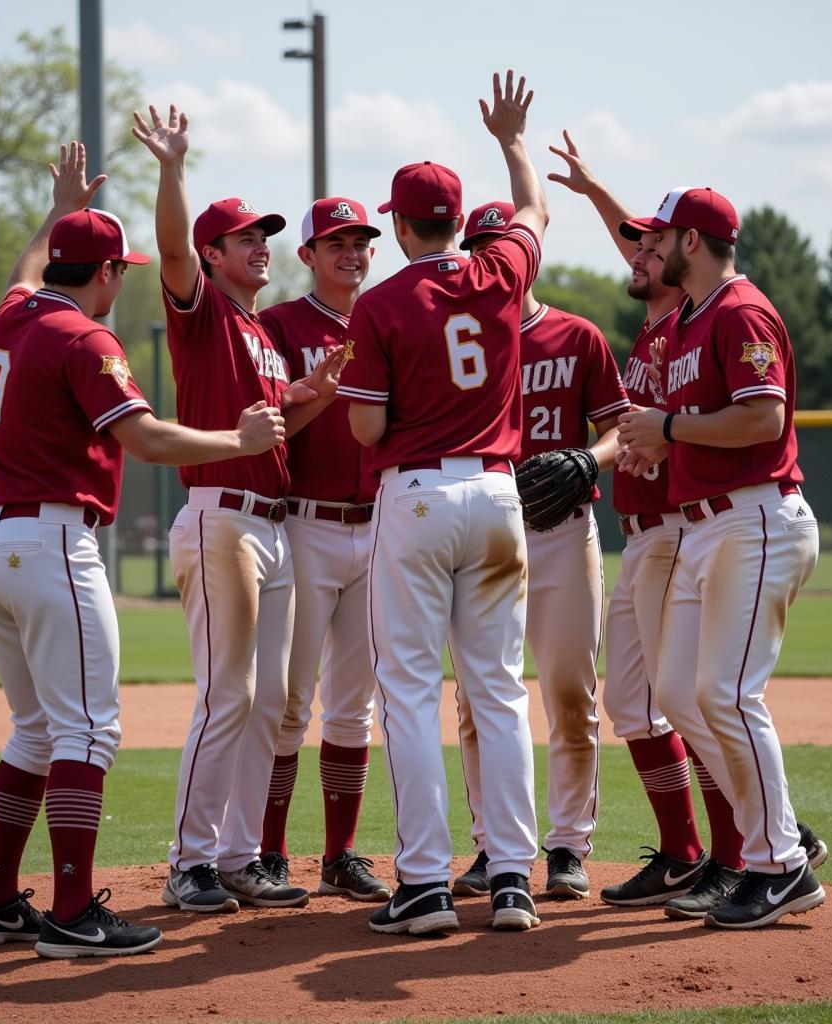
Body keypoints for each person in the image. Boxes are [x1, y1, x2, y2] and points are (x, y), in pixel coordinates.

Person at [0, 142, 287, 959]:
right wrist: (235, 436)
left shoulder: (16, 315)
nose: (124, 278)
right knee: (88, 731)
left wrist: (58, 208)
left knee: (34, 729)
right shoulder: (84, 340)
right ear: (104, 272)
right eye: (119, 268)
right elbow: (144, 439)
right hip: (49, 544)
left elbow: (28, 267)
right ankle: (73, 914)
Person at [339, 70, 548, 936]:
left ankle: (424, 884)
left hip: (417, 496)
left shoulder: (382, 301)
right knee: (496, 693)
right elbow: (533, 212)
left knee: (411, 693)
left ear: (396, 224)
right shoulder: (500, 272)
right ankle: (511, 879)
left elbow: (364, 426)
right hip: (499, 496)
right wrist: (511, 142)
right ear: (461, 222)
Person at [133, 104, 346, 915]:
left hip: (272, 525)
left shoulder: (258, 330)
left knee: (268, 703)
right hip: (221, 516)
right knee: (228, 695)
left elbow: (272, 426)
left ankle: (237, 856)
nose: (261, 246)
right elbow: (177, 250)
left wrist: (314, 399)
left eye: (265, 236)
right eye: (245, 238)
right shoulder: (205, 310)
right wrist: (172, 169)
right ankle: (188, 861)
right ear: (214, 255)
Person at [616, 186, 826, 929]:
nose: (652, 246)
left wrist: (669, 426)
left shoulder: (739, 311)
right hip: (708, 526)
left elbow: (764, 417)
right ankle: (781, 827)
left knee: (731, 695)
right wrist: (659, 442)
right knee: (678, 692)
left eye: (663, 235)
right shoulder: (692, 318)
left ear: (692, 242)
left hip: (754, 519)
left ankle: (781, 866)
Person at [449, 200, 627, 903]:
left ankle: (567, 845)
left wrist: (591, 460)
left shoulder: (576, 336)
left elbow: (620, 429)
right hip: (485, 537)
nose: (494, 256)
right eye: (480, 246)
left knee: (570, 695)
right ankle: (494, 847)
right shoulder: (461, 339)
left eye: (503, 243)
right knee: (477, 702)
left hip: (562, 536)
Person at [257, 198, 392, 902]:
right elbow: (267, 422)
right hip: (303, 525)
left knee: (353, 706)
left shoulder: (389, 319)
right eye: (336, 241)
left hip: (379, 525)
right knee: (287, 701)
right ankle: (269, 851)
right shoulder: (278, 325)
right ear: (306, 255)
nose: (353, 251)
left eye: (362, 240)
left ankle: (340, 854)